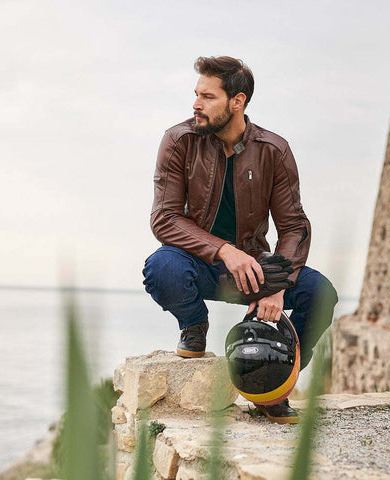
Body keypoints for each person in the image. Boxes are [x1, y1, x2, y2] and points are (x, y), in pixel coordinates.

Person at [142, 56, 337, 423]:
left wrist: (277, 285)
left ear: (237, 101)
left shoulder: (274, 150)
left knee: (320, 293)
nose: (196, 104)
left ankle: (276, 381)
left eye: (208, 97)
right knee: (162, 267)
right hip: (199, 264)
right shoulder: (179, 140)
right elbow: (164, 218)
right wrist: (223, 250)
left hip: (255, 270)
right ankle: (194, 324)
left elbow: (294, 227)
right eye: (196, 94)